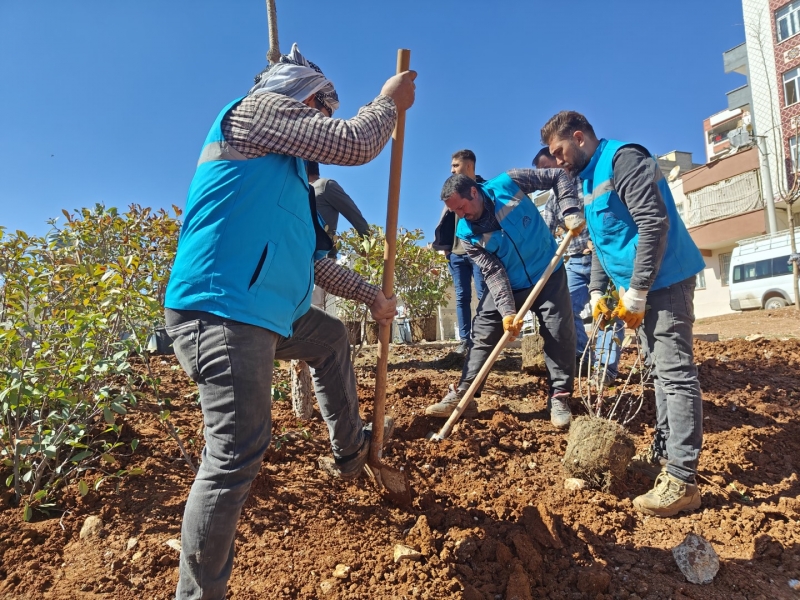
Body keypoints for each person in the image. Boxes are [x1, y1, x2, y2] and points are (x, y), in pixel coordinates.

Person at [163, 44, 416, 599]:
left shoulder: (290, 184)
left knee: (329, 339)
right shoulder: (252, 112)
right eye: (318, 112)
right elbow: (355, 141)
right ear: (302, 94)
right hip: (221, 309)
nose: (318, 126)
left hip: (265, 315)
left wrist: (371, 295)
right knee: (235, 453)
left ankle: (350, 452)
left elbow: (313, 263)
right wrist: (388, 103)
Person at [541, 110, 706, 518]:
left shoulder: (623, 160)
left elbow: (653, 225)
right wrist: (598, 290)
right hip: (642, 288)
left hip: (665, 282)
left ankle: (682, 480)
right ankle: (662, 454)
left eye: (559, 151)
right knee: (657, 373)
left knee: (675, 374)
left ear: (579, 137)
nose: (558, 161)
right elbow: (603, 239)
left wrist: (637, 291)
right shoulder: (588, 179)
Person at [425, 169, 584, 429]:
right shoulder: (466, 233)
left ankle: (559, 397)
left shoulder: (509, 183)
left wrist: (569, 210)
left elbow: (557, 175)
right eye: (455, 212)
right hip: (510, 281)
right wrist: (508, 312)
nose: (461, 216)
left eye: (463, 207)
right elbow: (493, 271)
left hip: (548, 269)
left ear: (474, 191)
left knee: (559, 332)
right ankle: (465, 395)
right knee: (484, 330)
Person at [533, 147, 623, 386]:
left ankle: (605, 369)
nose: (544, 175)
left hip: (600, 259)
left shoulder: (587, 183)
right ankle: (582, 356)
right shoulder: (553, 199)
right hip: (573, 261)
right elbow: (545, 231)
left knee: (607, 311)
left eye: (546, 168)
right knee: (566, 308)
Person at [432, 150, 489, 354]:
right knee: (462, 296)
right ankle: (464, 341)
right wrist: (444, 248)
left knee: (483, 295)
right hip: (456, 253)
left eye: (456, 165)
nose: (452, 169)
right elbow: (444, 220)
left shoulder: (484, 190)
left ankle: (483, 338)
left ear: (469, 166)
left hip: (479, 253)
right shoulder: (451, 190)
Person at [307, 161, 370, 308]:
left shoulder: (324, 185)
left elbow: (355, 216)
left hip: (323, 260)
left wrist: (368, 248)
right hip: (301, 261)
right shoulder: (299, 190)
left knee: (316, 309)